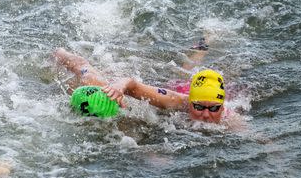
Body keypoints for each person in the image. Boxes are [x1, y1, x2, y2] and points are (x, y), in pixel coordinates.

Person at [54, 47, 234, 125]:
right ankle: (60, 53)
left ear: (223, 105)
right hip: (173, 89)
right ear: (190, 101)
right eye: (199, 106)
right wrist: (119, 85)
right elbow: (132, 85)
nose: (205, 114)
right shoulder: (175, 100)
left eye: (214, 108)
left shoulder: (230, 120)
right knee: (92, 79)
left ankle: (203, 46)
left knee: (185, 72)